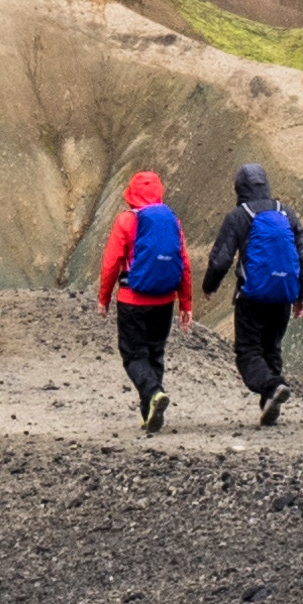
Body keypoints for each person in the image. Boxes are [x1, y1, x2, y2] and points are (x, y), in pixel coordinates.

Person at [201, 162, 303, 427]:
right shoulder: (287, 213)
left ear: (239, 188)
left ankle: (273, 388)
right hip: (284, 295)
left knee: (248, 351)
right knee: (271, 348)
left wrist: (209, 286)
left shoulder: (239, 216)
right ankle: (269, 404)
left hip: (251, 298)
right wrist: (301, 295)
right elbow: (302, 257)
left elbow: (221, 260)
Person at [92, 167, 193, 433]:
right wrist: (186, 303)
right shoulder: (172, 220)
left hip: (132, 300)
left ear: (130, 195)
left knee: (133, 354)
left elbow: (112, 262)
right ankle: (149, 411)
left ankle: (154, 393)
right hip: (164, 300)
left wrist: (104, 297)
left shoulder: (126, 221)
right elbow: (183, 262)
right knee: (155, 353)